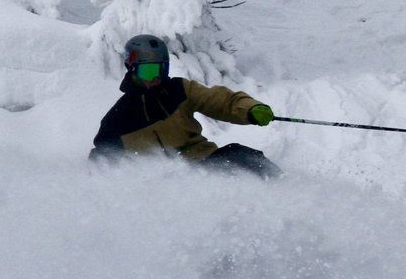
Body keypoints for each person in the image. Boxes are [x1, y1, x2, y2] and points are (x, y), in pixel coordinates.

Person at [89, 33, 282, 179]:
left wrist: (249, 109)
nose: (156, 78)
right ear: (132, 70)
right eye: (148, 71)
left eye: (161, 69)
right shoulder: (118, 119)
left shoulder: (179, 90)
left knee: (241, 156)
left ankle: (285, 190)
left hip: (204, 160)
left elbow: (220, 100)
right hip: (169, 182)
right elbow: (102, 160)